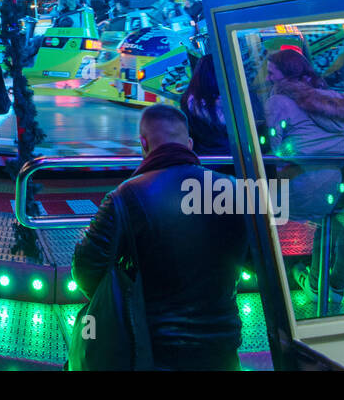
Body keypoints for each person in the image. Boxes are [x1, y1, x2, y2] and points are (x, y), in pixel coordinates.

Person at [71, 105, 249, 370]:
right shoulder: (234, 189)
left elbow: (85, 271)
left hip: (153, 349)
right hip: (222, 346)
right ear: (189, 144)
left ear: (143, 144)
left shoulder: (124, 196)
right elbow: (255, 260)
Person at [264, 48, 344, 305]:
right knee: (335, 222)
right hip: (333, 182)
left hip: (296, 186)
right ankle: (330, 285)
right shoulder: (335, 99)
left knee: (237, 203)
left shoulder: (277, 102)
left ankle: (297, 281)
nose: (267, 79)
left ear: (286, 74)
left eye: (271, 73)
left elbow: (276, 148)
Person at [182, 55, 231, 155]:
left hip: (204, 161)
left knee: (207, 172)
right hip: (229, 158)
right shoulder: (224, 100)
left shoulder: (188, 99)